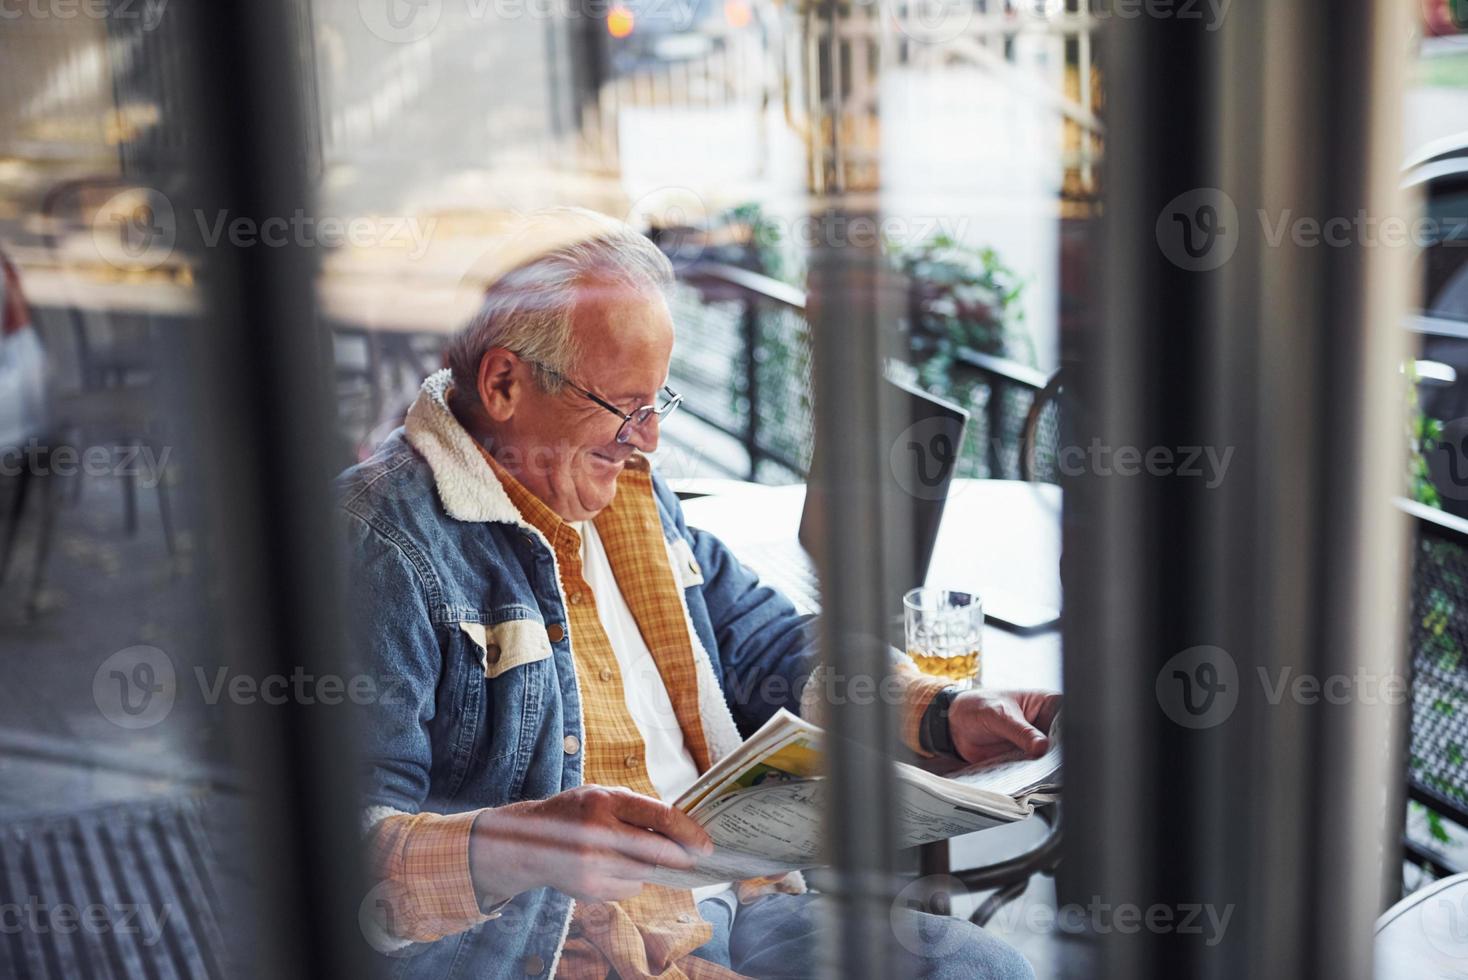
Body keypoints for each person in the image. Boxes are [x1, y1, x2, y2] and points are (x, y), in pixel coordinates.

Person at [338, 208, 1058, 979]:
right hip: (567, 949)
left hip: (740, 899)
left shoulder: (628, 493)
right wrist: (528, 846)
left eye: (658, 405)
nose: (648, 439)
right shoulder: (380, 547)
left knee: (990, 972)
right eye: (625, 407)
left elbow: (765, 642)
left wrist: (944, 714)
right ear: (505, 383)